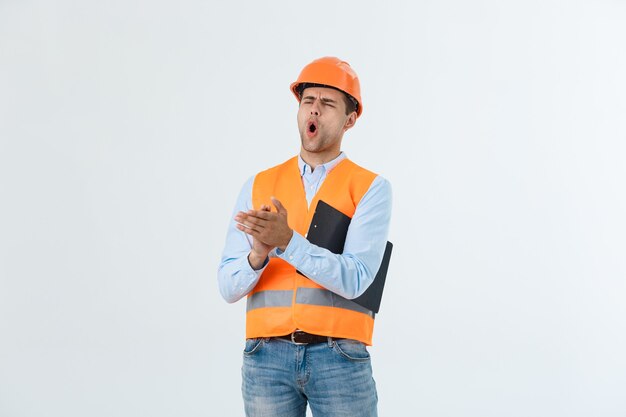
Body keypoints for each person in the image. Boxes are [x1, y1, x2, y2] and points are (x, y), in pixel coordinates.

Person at [218, 56, 392, 417]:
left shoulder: (370, 188)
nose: (314, 111)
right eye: (308, 101)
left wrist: (287, 241)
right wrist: (258, 256)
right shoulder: (260, 185)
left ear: (350, 119)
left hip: (339, 356)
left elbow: (358, 278)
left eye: (327, 104)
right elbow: (227, 287)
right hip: (265, 358)